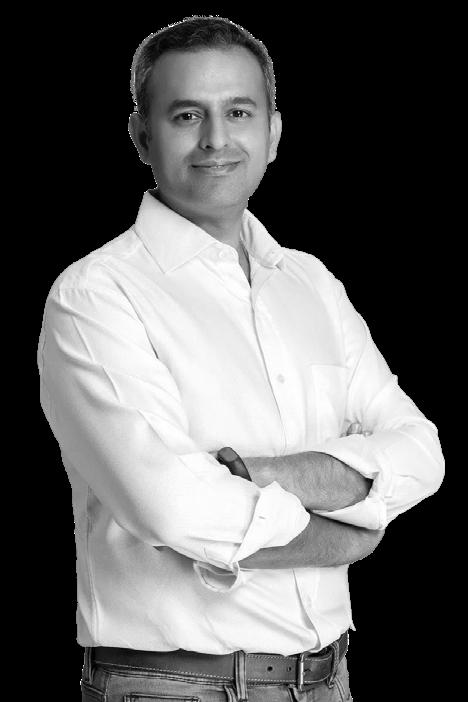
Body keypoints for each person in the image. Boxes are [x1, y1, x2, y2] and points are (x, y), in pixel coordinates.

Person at [37, 15, 444, 702]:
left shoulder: (311, 283)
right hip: (172, 687)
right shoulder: (96, 296)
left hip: (328, 678)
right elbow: (171, 507)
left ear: (274, 133)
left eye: (238, 112)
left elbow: (421, 450)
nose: (216, 140)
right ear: (140, 135)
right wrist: (346, 532)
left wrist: (257, 475)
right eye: (186, 115)